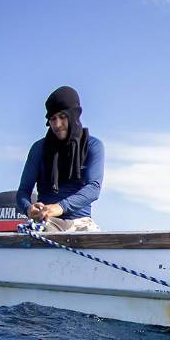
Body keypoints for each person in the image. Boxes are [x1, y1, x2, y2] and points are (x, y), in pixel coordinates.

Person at [16, 86, 104, 232]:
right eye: (52, 119)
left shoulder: (93, 146)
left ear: (74, 115)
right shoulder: (38, 149)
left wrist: (60, 207)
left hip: (80, 223)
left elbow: (94, 188)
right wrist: (28, 208)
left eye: (62, 117)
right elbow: (23, 191)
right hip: (47, 222)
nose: (57, 125)